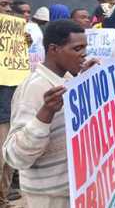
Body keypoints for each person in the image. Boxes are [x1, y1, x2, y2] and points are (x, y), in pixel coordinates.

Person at [2, 20, 91, 207]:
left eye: (85, 48)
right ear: (53, 49)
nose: (84, 54)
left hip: (74, 192)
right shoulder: (34, 89)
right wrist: (45, 114)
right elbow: (14, 156)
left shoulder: (67, 80)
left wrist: (89, 81)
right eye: (77, 49)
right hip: (50, 198)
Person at [0, 0, 15, 207]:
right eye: (4, 5)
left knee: (10, 156)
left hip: (12, 103)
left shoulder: (14, 34)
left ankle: (4, 196)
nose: (9, 10)